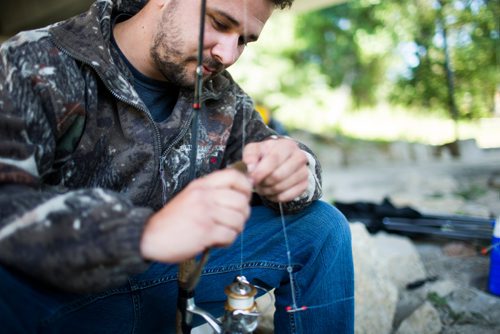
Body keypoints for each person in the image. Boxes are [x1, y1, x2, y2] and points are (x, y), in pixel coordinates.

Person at [0, 0, 354, 333]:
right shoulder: (34, 60)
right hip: (54, 302)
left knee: (321, 227)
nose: (228, 54)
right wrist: (143, 232)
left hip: (166, 288)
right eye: (219, 22)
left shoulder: (221, 94)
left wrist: (294, 168)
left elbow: (283, 159)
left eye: (244, 40)